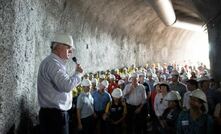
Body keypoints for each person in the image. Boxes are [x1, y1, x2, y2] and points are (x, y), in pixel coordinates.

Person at [37, 33, 83, 134]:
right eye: (68, 47)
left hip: (52, 115)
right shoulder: (53, 64)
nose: (71, 51)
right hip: (55, 116)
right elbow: (66, 86)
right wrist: (78, 74)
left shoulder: (52, 62)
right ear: (58, 47)